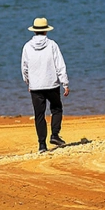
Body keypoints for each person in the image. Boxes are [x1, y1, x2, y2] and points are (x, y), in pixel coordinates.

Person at [21, 17, 69, 153]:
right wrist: (65, 83)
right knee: (57, 108)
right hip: (51, 84)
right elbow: (60, 65)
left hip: (36, 86)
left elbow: (24, 68)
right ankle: (55, 135)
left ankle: (42, 145)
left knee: (39, 115)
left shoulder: (27, 46)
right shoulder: (52, 45)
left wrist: (28, 82)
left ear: (34, 31)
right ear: (46, 31)